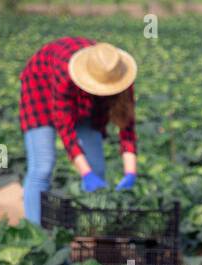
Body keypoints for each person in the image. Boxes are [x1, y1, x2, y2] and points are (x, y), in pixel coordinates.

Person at [19, 38, 139, 225]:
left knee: (97, 167)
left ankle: (92, 227)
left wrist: (130, 172)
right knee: (43, 166)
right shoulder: (65, 75)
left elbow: (127, 126)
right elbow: (65, 130)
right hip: (40, 85)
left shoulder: (120, 76)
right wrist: (85, 174)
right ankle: (34, 231)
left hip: (86, 98)